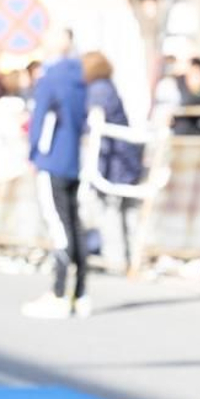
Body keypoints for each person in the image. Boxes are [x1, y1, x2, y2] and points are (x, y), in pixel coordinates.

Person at [21, 29, 90, 319]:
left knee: (59, 226)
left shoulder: (50, 77)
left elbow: (39, 119)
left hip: (51, 159)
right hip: (73, 157)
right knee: (74, 223)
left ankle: (60, 293)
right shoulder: (80, 77)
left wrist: (34, 153)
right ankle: (80, 293)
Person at [82, 51, 145, 273]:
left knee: (110, 210)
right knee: (126, 212)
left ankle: (116, 259)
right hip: (124, 159)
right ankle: (132, 258)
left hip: (113, 162)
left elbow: (96, 123)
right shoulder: (108, 87)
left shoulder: (98, 90)